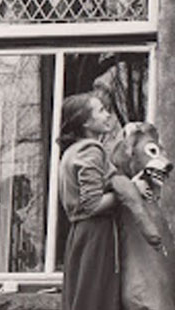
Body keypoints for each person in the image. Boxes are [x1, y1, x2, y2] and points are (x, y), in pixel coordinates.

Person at [57, 92, 123, 310]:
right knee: (97, 299)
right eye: (101, 111)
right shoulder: (91, 149)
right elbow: (92, 204)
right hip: (97, 235)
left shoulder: (71, 151)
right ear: (85, 121)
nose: (107, 115)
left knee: (83, 298)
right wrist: (128, 192)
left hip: (80, 234)